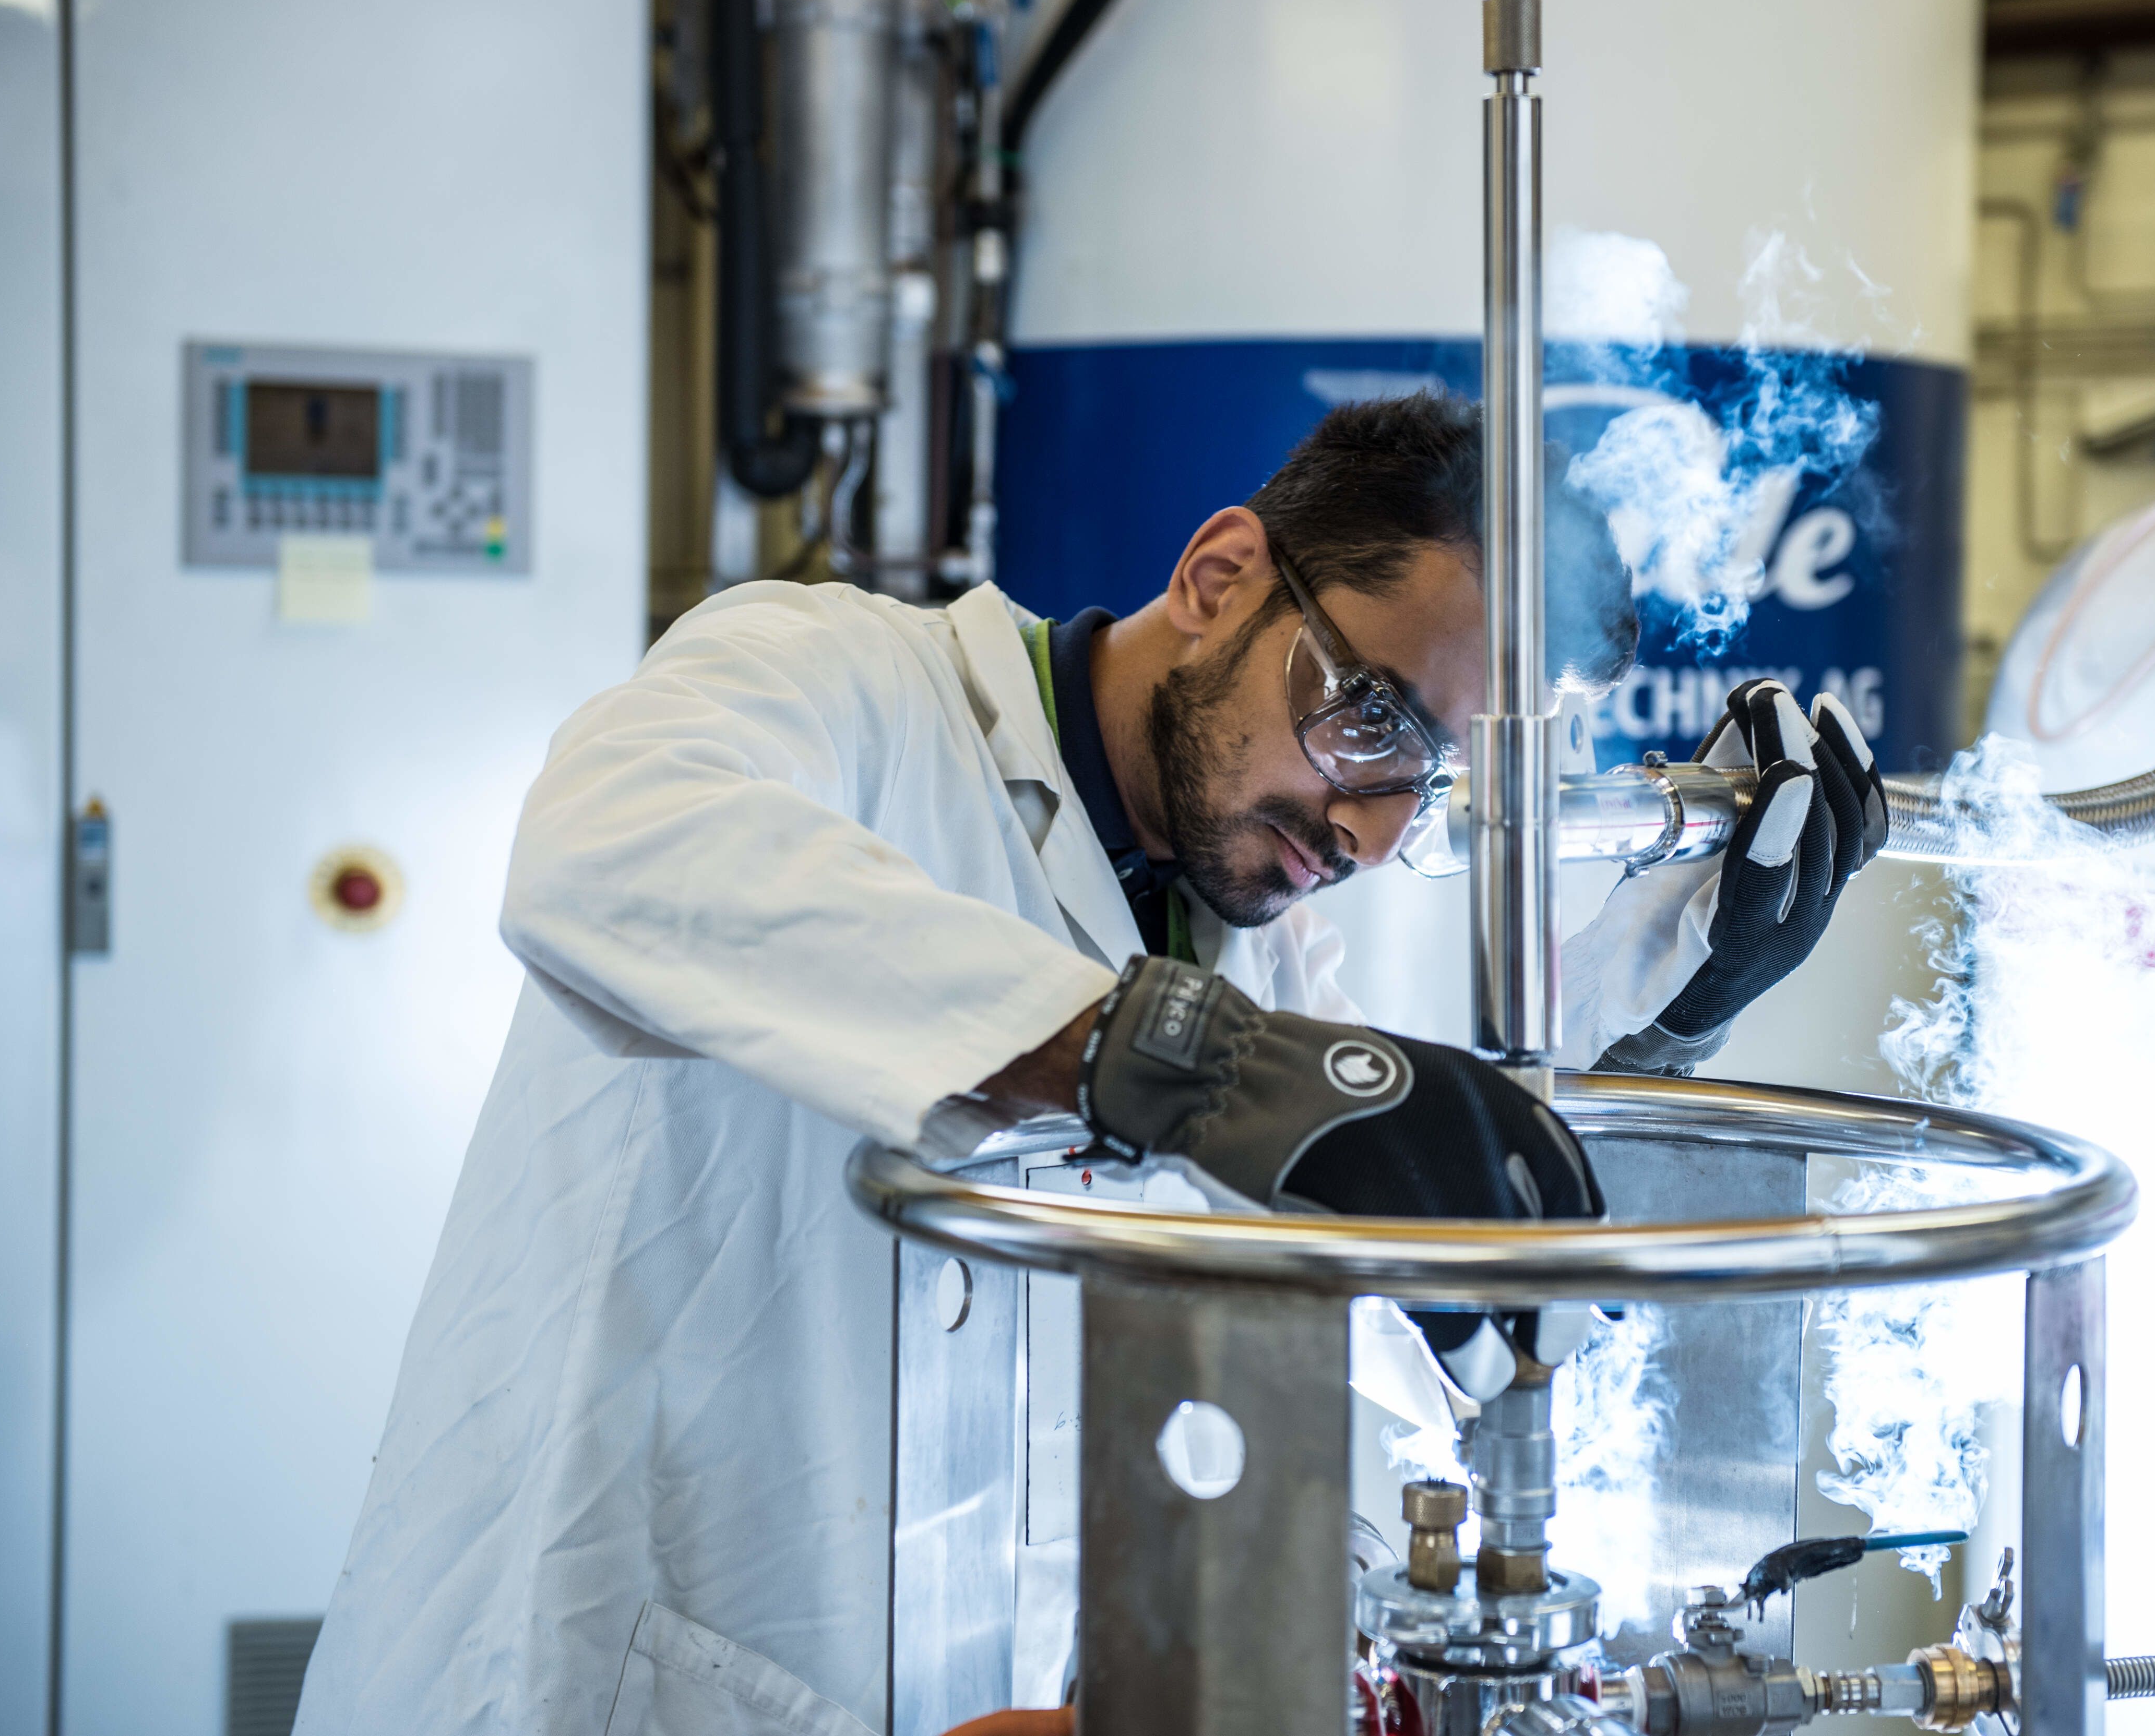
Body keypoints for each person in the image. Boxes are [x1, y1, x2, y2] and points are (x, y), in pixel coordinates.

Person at [289, 392, 1884, 1736]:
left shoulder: (1255, 942)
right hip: (588, 1672)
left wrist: (1679, 1012)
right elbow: (602, 846)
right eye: (1370, 714)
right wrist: (1166, 1054)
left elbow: (1423, 1353)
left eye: (1429, 779)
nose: (1368, 823)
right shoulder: (837, 679)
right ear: (1219, 574)